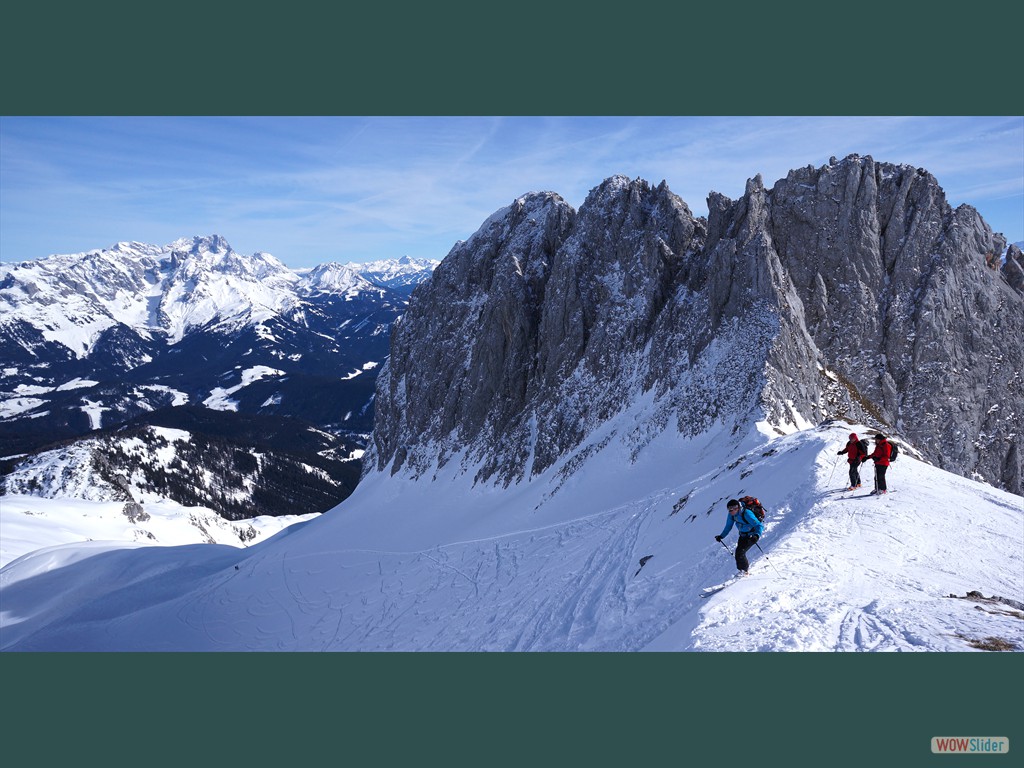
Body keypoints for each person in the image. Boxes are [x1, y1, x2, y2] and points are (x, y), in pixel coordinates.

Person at [715, 498, 765, 575]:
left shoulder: (747, 513)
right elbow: (728, 526)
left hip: (751, 536)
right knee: (738, 553)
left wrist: (757, 535)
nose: (730, 511)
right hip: (742, 535)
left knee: (740, 553)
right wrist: (721, 536)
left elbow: (759, 525)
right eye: (729, 509)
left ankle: (744, 572)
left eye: (732, 509)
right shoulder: (732, 515)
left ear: (737, 508)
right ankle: (742, 571)